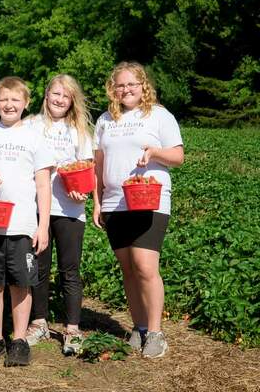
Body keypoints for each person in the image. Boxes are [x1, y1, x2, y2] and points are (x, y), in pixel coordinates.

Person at [93, 61, 184, 359]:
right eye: (120, 85)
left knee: (145, 266)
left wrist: (155, 152)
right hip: (115, 201)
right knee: (128, 268)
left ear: (143, 85)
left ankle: (156, 332)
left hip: (150, 198)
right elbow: (98, 164)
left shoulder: (158, 115)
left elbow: (178, 156)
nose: (126, 89)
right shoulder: (105, 120)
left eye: (132, 84)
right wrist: (97, 201)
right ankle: (139, 327)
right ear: (112, 88)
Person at [0, 77, 53, 366]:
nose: (9, 104)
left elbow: (44, 186)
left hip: (23, 223)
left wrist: (42, 226)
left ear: (26, 103)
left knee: (21, 282)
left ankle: (18, 340)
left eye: (15, 100)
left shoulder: (34, 137)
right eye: (4, 99)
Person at [25, 74, 94, 355]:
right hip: (36, 206)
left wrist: (83, 191)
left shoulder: (78, 131)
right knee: (39, 267)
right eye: (55, 93)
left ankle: (73, 329)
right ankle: (39, 322)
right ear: (46, 94)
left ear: (72, 101)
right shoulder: (30, 125)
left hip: (69, 208)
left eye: (65, 96)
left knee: (70, 269)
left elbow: (87, 168)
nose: (59, 99)